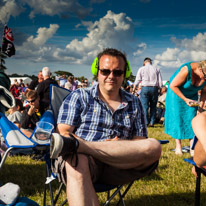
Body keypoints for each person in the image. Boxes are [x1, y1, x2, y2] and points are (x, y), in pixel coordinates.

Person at [50, 48, 161, 206]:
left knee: (154, 146)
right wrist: (100, 148)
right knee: (76, 158)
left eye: (117, 72)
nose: (111, 76)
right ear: (97, 72)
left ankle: (83, 146)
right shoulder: (79, 96)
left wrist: (118, 146)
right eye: (105, 71)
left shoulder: (134, 102)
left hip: (120, 163)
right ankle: (84, 149)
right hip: (85, 162)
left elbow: (139, 142)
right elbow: (64, 133)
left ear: (124, 74)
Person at [165, 61, 206, 155]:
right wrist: (185, 99)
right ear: (200, 70)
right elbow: (172, 85)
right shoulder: (187, 70)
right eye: (205, 76)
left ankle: (192, 147)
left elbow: (204, 93)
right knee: (178, 117)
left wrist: (200, 108)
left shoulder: (205, 74)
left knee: (192, 118)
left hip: (191, 95)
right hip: (176, 93)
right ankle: (178, 146)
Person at [132, 57, 163, 127]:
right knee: (153, 106)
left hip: (145, 88)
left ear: (144, 63)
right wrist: (160, 88)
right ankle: (152, 122)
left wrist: (134, 88)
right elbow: (160, 81)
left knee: (144, 106)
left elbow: (137, 79)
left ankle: (146, 122)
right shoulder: (156, 69)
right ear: (150, 62)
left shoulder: (141, 69)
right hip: (154, 88)